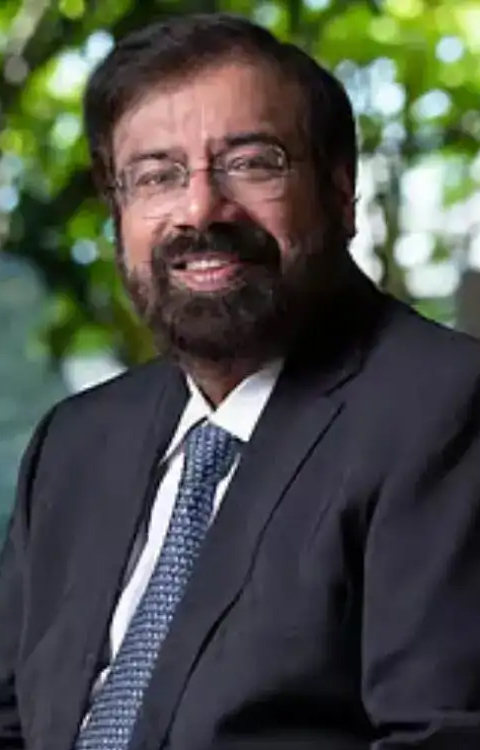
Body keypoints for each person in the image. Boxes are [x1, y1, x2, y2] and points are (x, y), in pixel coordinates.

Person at [2, 12, 480, 750]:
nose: (200, 209)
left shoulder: (444, 409)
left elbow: (440, 737)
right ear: (119, 213)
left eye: (252, 163)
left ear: (340, 192)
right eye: (157, 176)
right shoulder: (76, 443)